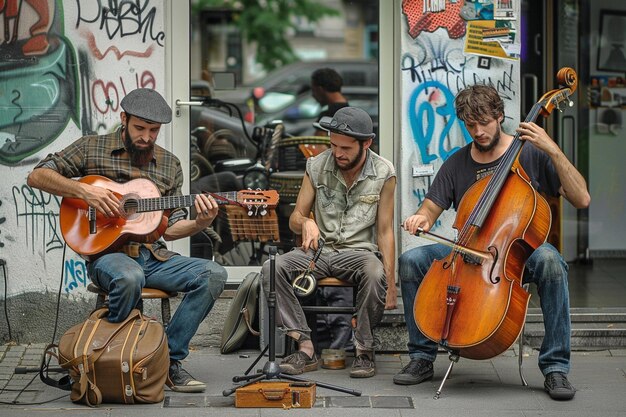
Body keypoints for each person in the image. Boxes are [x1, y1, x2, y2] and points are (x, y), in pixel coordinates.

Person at [393, 84, 590, 401]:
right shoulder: (457, 162)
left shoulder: (531, 153)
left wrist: (553, 149)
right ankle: (421, 356)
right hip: (470, 249)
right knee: (411, 261)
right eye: (470, 125)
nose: (478, 131)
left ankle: (555, 368)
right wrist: (421, 220)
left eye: (484, 122)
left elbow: (581, 198)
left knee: (552, 264)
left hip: (520, 250)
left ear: (500, 116)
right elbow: (429, 209)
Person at [27, 88, 228, 393]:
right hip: (108, 257)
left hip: (154, 257)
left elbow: (170, 228)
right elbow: (37, 176)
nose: (146, 137)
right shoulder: (91, 148)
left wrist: (201, 222)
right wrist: (85, 191)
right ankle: (108, 354)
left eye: (154, 131)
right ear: (123, 119)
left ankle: (166, 360)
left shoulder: (169, 165)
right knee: (129, 276)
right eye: (139, 128)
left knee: (214, 274)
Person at [261, 107, 397, 378]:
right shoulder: (316, 165)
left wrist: (391, 285)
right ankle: (304, 346)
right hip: (319, 251)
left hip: (358, 253)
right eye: (333, 145)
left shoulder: (384, 172)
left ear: (366, 143)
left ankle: (363, 351)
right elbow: (295, 218)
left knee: (375, 271)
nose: (337, 153)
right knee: (271, 268)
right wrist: (305, 222)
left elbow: (384, 231)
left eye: (345, 148)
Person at [311, 68, 349, 136]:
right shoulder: (350, 110)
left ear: (320, 89)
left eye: (313, 90)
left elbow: (319, 142)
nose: (313, 95)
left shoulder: (329, 113)